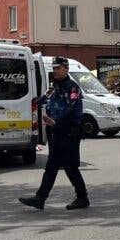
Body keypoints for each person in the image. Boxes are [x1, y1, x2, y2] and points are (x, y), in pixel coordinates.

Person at [19, 57, 89, 211]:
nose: (55, 71)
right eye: (54, 68)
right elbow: (40, 101)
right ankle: (40, 198)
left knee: (71, 167)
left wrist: (56, 121)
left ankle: (82, 198)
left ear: (66, 68)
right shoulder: (54, 88)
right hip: (56, 133)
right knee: (51, 167)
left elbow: (71, 110)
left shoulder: (73, 88)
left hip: (69, 133)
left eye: (58, 68)